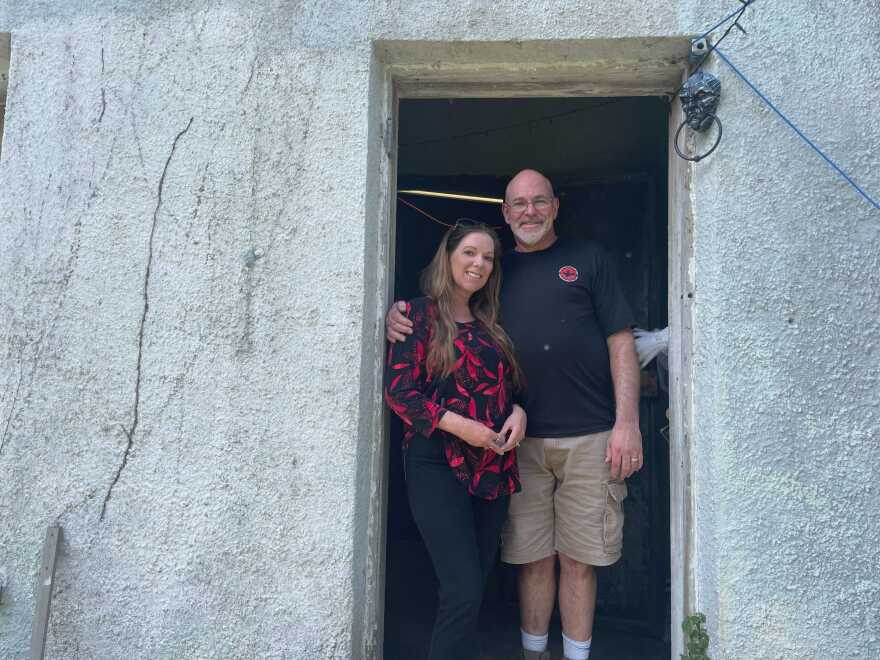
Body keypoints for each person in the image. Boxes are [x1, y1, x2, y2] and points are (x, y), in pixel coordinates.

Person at [387, 170, 643, 660]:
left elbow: (617, 342)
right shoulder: (468, 296)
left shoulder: (580, 263)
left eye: (539, 201)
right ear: (505, 212)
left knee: (576, 559)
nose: (529, 211)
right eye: (518, 203)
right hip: (494, 453)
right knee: (524, 563)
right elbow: (413, 367)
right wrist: (392, 313)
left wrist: (625, 422)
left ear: (555, 206)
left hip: (568, 438)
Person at [384, 220, 528, 660]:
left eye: (487, 257)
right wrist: (460, 426)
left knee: (472, 588)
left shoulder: (492, 322)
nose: (479, 263)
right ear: (448, 257)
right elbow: (399, 392)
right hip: (437, 463)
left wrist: (519, 412)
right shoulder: (416, 314)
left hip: (492, 467)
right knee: (463, 588)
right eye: (469, 252)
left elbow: (512, 388)